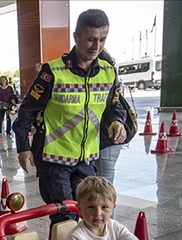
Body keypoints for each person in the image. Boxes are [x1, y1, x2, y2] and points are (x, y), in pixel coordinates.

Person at [12, 8, 127, 227]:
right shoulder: (53, 72)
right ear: (76, 37)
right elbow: (26, 111)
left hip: (87, 161)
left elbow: (114, 105)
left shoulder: (108, 72)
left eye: (102, 39)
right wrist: (23, 147)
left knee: (90, 216)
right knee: (65, 219)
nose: (97, 46)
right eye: (91, 39)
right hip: (54, 161)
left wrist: (116, 121)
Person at [94, 49, 124, 184]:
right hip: (104, 140)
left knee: (104, 182)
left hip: (108, 140)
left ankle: (107, 199)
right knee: (101, 179)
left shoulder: (105, 83)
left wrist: (116, 121)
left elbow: (114, 107)